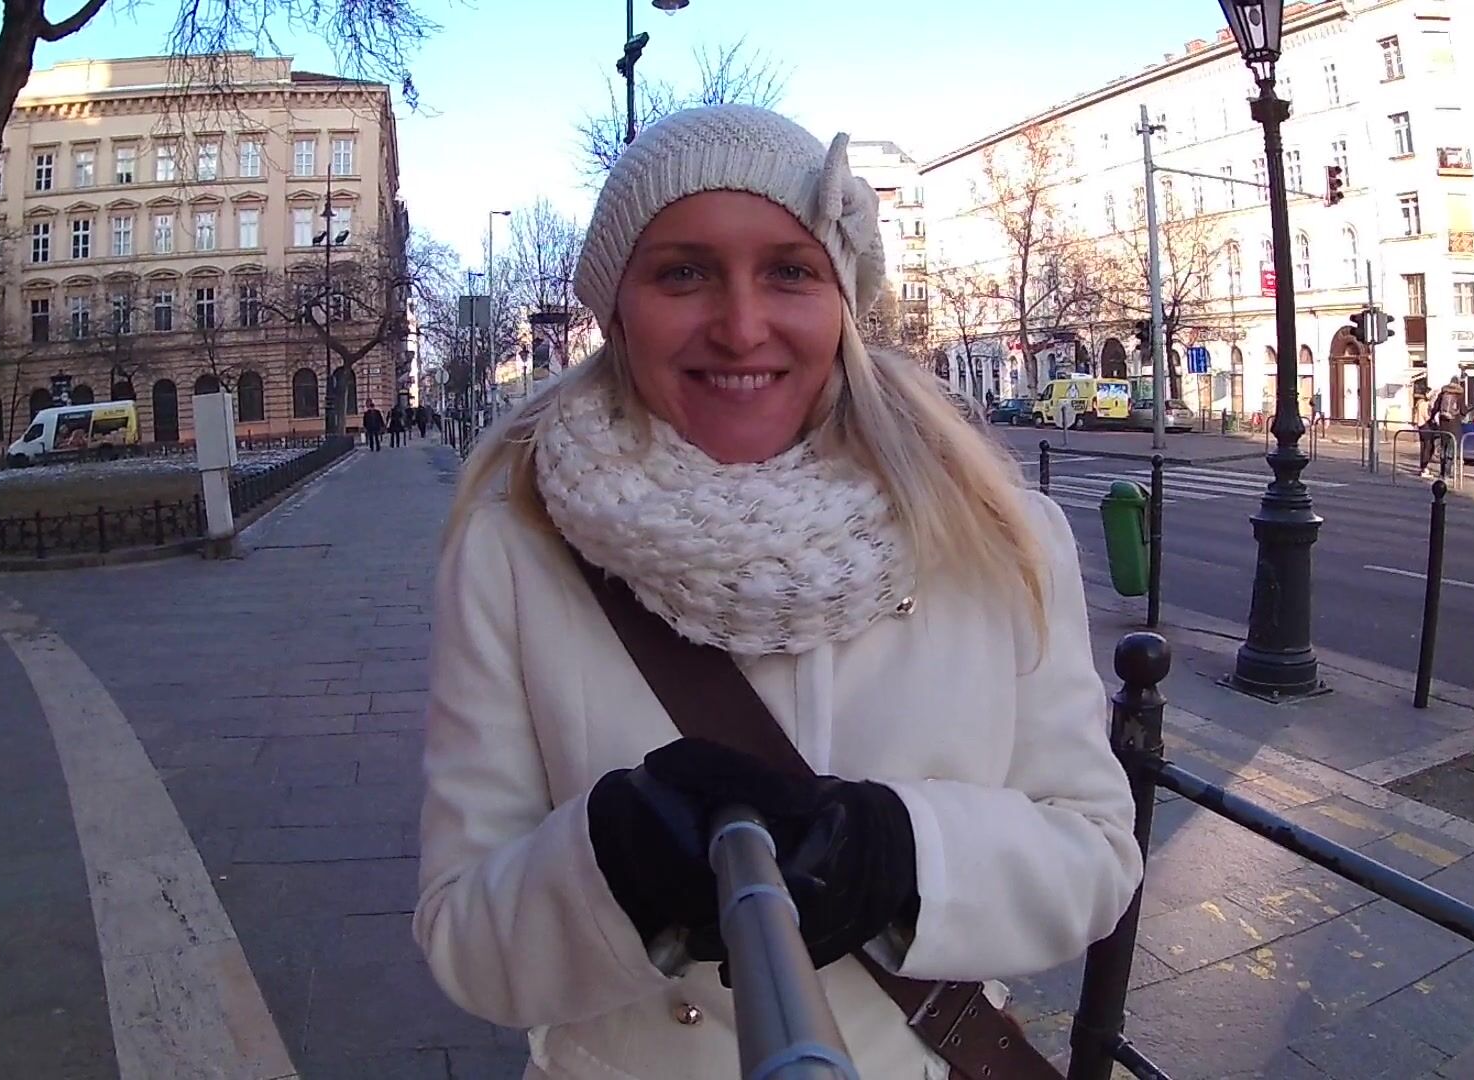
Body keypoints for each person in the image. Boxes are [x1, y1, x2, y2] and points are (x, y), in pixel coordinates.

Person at [414, 104, 1143, 1080]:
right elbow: (463, 933)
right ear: (616, 308)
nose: (742, 326)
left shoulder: (996, 535)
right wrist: (605, 868)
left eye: (790, 272)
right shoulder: (516, 550)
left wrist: (906, 856)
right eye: (684, 273)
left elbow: (1094, 852)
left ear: (842, 300)